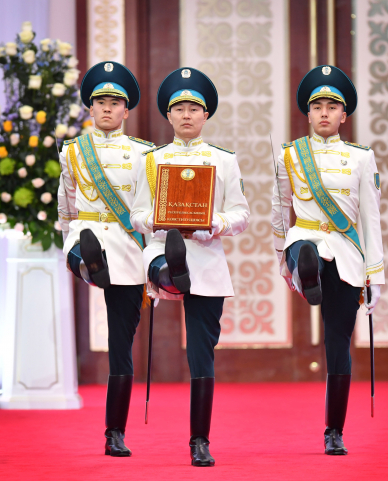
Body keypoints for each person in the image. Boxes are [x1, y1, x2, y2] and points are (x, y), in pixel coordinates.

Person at [130, 67, 250, 467]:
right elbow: (136, 214)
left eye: (194, 109)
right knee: (165, 267)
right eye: (179, 108)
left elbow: (241, 214)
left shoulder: (224, 161)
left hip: (206, 255)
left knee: (202, 354)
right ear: (168, 115)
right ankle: (170, 272)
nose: (186, 115)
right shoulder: (151, 160)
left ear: (205, 115)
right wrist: (154, 220)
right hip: (162, 246)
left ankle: (200, 440)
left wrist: (214, 224)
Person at [271, 65, 385, 455]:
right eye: (317, 106)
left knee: (338, 344)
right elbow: (279, 211)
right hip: (303, 238)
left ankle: (334, 430)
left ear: (343, 115)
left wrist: (375, 275)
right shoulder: (290, 154)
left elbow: (371, 219)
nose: (324, 112)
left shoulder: (361, 158)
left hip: (347, 253)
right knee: (305, 251)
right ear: (308, 113)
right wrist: (281, 258)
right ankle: (307, 271)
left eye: (331, 107)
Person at [57, 61, 154, 457]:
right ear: (90, 108)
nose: (108, 108)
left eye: (115, 103)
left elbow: (148, 208)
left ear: (126, 110)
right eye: (101, 102)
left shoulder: (144, 153)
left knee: (120, 343)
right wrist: (68, 242)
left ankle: (115, 432)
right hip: (87, 232)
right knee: (83, 249)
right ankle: (86, 262)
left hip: (127, 246)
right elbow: (66, 205)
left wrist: (151, 255)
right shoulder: (72, 151)